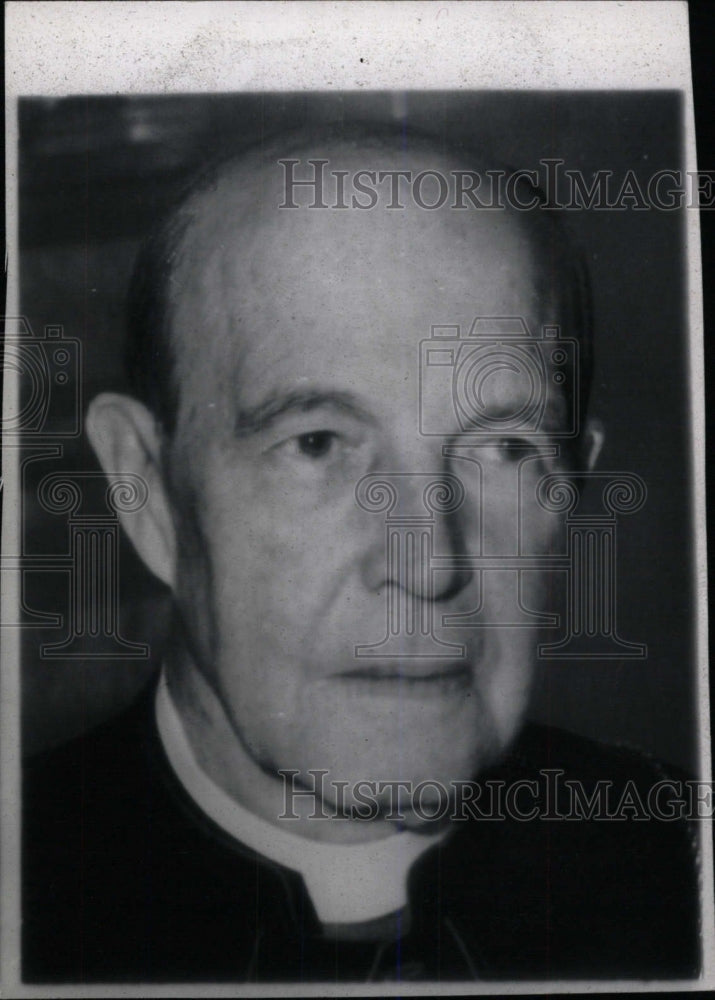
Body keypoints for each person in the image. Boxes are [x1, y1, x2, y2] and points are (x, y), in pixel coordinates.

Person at [22, 123, 700, 984]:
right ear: (148, 490)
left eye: (503, 450)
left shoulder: (680, 864)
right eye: (315, 443)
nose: (428, 565)